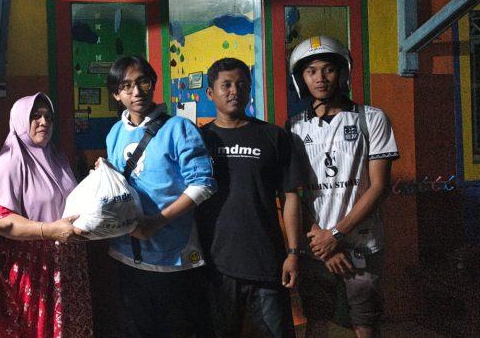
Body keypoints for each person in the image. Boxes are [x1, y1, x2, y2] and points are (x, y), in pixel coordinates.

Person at [286, 36, 399, 338]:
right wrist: (321, 241)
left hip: (362, 244)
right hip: (316, 248)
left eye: (328, 69)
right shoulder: (294, 127)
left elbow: (379, 186)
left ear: (343, 73)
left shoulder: (372, 119)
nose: (320, 78)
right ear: (301, 78)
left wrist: (335, 234)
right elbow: (293, 193)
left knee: (365, 324)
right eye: (311, 71)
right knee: (317, 321)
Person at [103, 55, 216, 338]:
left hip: (173, 255)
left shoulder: (179, 128)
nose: (136, 92)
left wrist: (158, 222)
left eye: (142, 82)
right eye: (126, 86)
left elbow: (203, 184)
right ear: (116, 94)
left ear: (152, 83)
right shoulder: (115, 133)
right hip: (126, 253)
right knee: (137, 330)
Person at [197, 58, 300, 337]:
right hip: (215, 266)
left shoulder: (273, 136)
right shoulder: (198, 140)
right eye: (226, 85)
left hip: (266, 263)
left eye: (242, 84)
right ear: (210, 93)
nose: (235, 91)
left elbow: (290, 196)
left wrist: (293, 252)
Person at [0, 92, 93, 338]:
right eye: (35, 116)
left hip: (65, 261)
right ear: (20, 119)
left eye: (48, 117)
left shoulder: (57, 158)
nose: (44, 122)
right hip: (32, 268)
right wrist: (48, 231)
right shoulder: (7, 163)